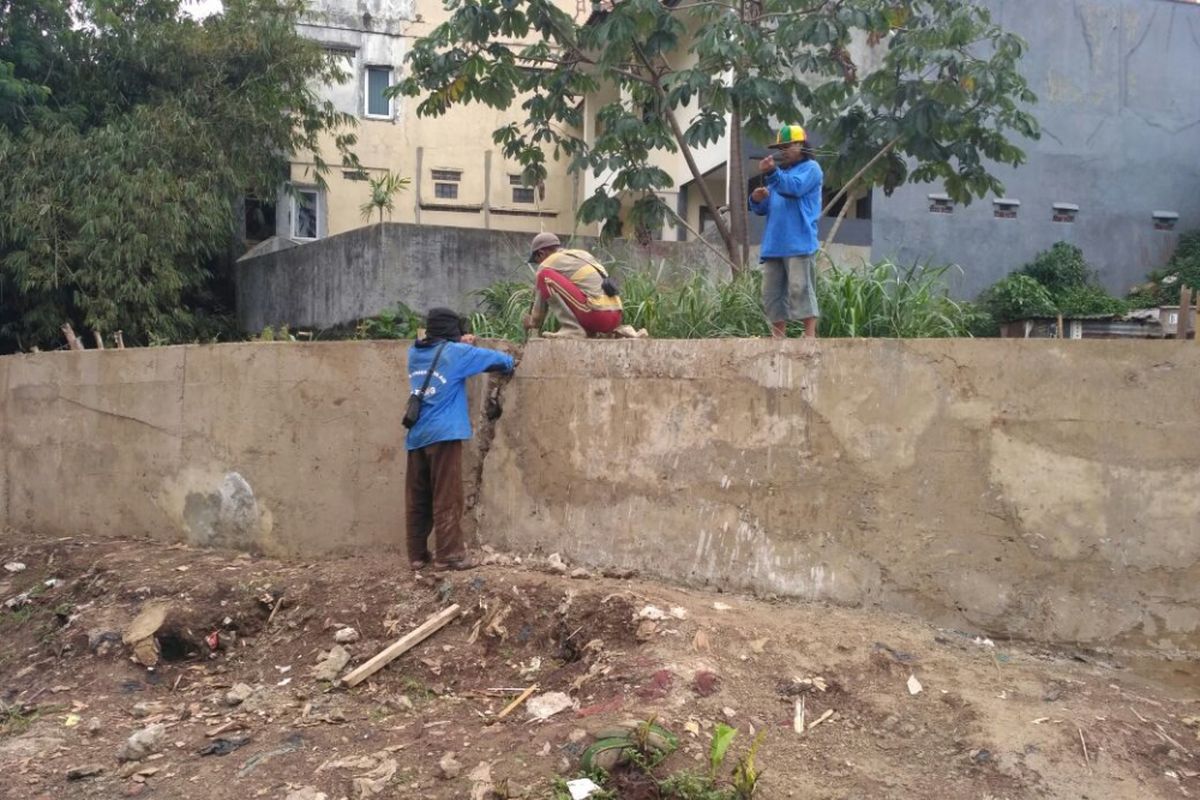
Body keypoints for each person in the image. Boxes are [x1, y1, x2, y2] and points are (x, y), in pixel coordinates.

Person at [405, 307, 514, 571]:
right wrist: (465, 346)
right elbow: (501, 361)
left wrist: (456, 343)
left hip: (416, 435)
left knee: (417, 497)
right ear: (452, 332)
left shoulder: (414, 353)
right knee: (447, 496)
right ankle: (449, 555)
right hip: (444, 435)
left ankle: (418, 556)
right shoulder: (457, 354)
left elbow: (435, 347)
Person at [748, 124, 824, 338]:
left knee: (800, 288)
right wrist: (756, 198)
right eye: (780, 147)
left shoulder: (811, 169)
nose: (783, 151)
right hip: (775, 244)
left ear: (801, 145)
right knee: (771, 293)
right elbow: (763, 208)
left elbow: (794, 188)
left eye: (787, 146)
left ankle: (809, 336)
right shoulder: (780, 176)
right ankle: (778, 336)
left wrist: (772, 173)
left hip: (798, 241)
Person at [521, 232, 624, 339]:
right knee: (586, 290)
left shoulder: (547, 263)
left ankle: (572, 328)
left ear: (541, 253)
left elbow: (537, 318)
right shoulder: (581, 255)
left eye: (537, 261)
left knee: (544, 276)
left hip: (598, 316)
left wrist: (532, 321)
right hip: (616, 318)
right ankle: (590, 331)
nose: (539, 264)